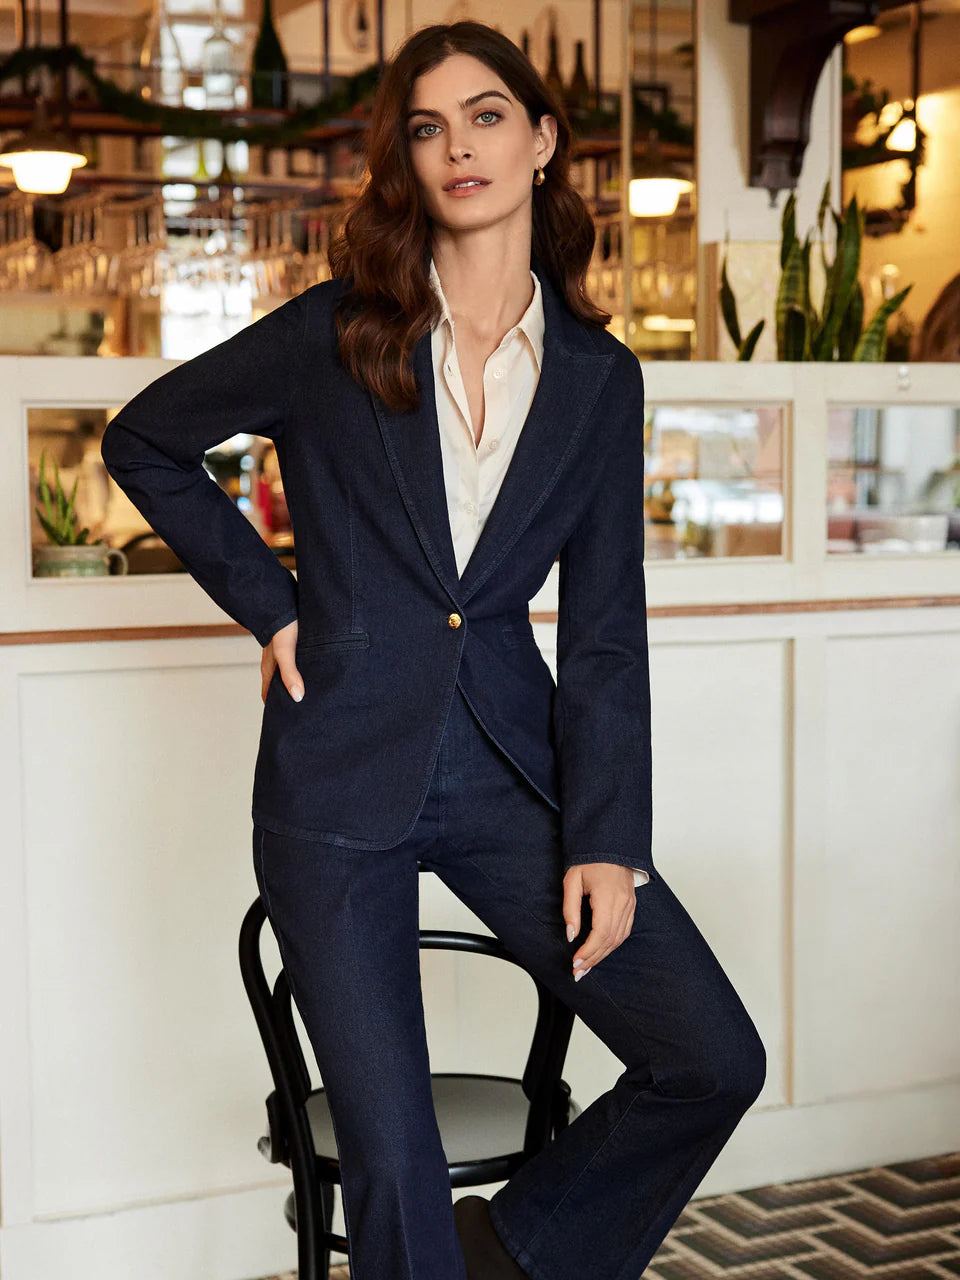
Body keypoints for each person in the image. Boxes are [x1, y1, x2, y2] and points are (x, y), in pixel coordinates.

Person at [100, 20, 766, 1280]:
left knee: (712, 1057)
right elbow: (144, 440)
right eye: (427, 127)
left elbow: (607, 630)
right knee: (393, 1160)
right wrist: (274, 604)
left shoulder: (599, 379)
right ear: (406, 161)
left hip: (509, 767)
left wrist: (609, 836)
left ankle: (509, 1247)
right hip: (337, 776)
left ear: (543, 140)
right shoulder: (336, 334)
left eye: (486, 116)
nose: (458, 146)